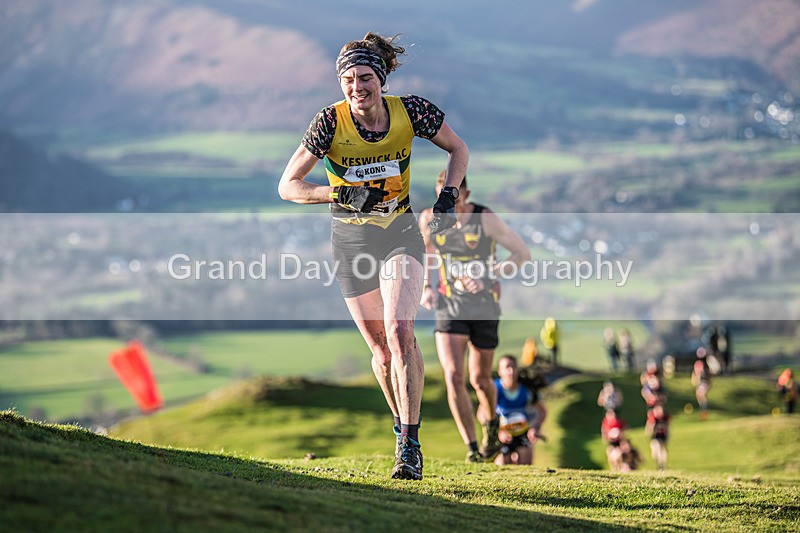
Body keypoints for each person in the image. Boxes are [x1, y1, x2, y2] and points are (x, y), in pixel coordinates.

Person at [278, 32, 469, 480]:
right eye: (347, 79)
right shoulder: (329, 122)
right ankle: (400, 424)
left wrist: (447, 197)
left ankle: (410, 444)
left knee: (401, 330)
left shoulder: (412, 111)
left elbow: (459, 149)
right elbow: (288, 185)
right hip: (351, 241)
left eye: (364, 77)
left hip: (399, 232)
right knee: (382, 354)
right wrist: (339, 192)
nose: (356, 87)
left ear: (380, 79)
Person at [419, 173, 531, 462]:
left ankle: (491, 426)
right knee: (453, 376)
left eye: (454, 198)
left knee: (480, 380)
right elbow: (424, 254)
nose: (447, 205)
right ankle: (471, 448)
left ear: (466, 195)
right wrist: (426, 288)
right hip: (449, 306)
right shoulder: (430, 218)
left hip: (484, 307)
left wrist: (489, 275)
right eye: (442, 196)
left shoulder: (485, 219)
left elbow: (521, 254)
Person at [492, 355, 547, 465]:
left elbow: (542, 412)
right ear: (499, 371)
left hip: (522, 432)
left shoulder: (526, 390)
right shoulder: (494, 389)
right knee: (502, 462)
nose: (511, 371)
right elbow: (481, 414)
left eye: (513, 367)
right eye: (507, 367)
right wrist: (497, 432)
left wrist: (535, 428)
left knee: (525, 463)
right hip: (501, 435)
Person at [645, 403, 670, 470]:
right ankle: (659, 464)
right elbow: (649, 427)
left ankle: (662, 465)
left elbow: (667, 426)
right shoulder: (653, 418)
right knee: (656, 451)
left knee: (663, 450)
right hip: (655, 436)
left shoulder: (665, 417)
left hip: (662, 436)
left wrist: (667, 433)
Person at [691, 348, 711, 420]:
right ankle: (703, 411)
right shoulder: (705, 364)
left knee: (701, 396)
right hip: (704, 382)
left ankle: (704, 411)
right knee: (699, 396)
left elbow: (697, 373)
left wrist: (695, 379)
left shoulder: (700, 364)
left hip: (703, 382)